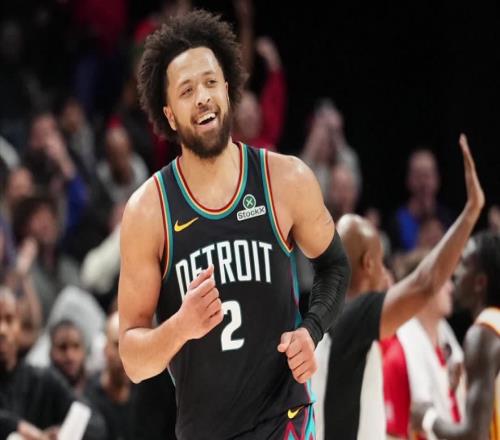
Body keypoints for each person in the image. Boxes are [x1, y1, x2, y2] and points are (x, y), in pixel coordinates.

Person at [119, 10, 350, 440]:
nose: (202, 97)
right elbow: (132, 359)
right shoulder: (148, 211)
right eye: (187, 90)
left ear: (228, 88)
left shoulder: (285, 178)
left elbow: (334, 265)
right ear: (169, 115)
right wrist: (180, 327)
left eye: (210, 82)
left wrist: (312, 329)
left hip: (285, 420)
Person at [312, 134, 484, 440]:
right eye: (382, 263)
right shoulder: (353, 314)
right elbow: (426, 283)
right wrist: (471, 213)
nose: (388, 273)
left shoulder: (330, 316)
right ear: (368, 264)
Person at [412, 231, 500, 440]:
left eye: (463, 265)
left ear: (480, 282)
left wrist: (427, 417)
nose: (455, 274)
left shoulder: (483, 333)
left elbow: (475, 434)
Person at [0, 287, 106, 440]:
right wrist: (17, 427)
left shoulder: (42, 379)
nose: (2, 330)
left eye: (9, 320)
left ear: (20, 327)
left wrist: (62, 432)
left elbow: (94, 422)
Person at [382, 251, 465, 440]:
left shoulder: (452, 351)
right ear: (422, 289)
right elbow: (393, 436)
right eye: (445, 281)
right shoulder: (398, 358)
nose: (451, 288)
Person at [85, 312, 133, 440]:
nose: (124, 355)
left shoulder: (150, 394)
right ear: (105, 349)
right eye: (117, 345)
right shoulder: (88, 398)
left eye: (131, 346)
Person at [50, 319, 88, 394]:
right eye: (62, 347)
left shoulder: (96, 392)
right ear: (51, 352)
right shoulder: (40, 392)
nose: (70, 356)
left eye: (76, 346)